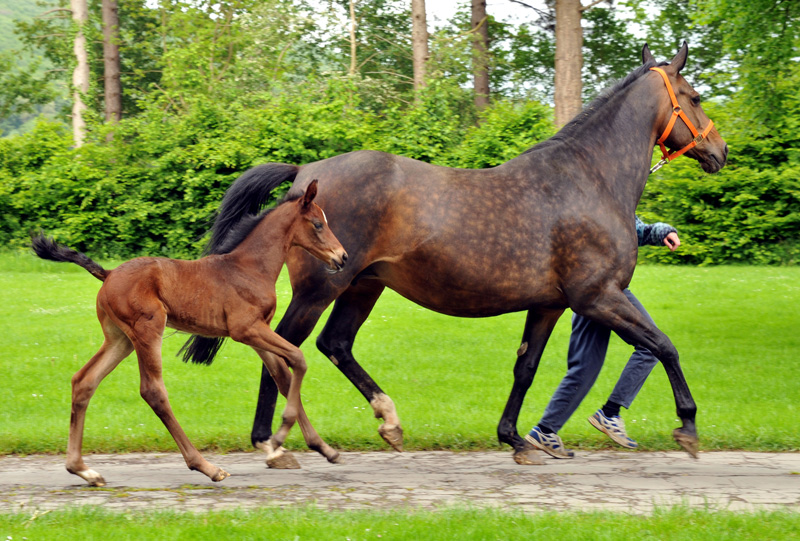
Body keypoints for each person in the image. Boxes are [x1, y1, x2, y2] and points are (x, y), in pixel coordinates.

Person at [525, 216, 681, 458]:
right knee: (651, 346)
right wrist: (661, 232)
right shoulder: (597, 194)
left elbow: (635, 229)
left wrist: (662, 232)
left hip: (586, 291)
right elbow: (633, 229)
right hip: (606, 291)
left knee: (584, 368)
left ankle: (544, 431)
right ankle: (609, 413)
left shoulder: (591, 192)